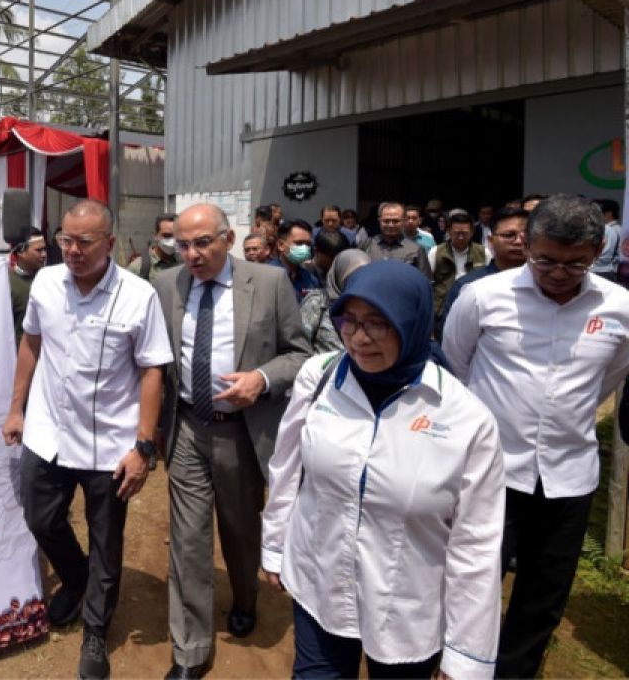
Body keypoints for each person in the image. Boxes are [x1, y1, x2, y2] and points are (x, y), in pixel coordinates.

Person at [263, 261, 506, 679]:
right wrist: (275, 544)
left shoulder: (466, 419)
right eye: (349, 321)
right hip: (318, 580)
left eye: (379, 323)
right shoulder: (318, 379)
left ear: (411, 324)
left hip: (407, 608)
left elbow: (477, 545)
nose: (359, 338)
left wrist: (466, 654)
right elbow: (287, 467)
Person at [443, 195, 629, 679]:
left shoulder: (620, 308)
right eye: (545, 259)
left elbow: (608, 378)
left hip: (570, 476)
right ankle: (461, 665)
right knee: (474, 579)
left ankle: (514, 671)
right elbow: (457, 369)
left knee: (545, 594)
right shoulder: (483, 297)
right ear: (526, 244)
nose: (559, 272)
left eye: (576, 263)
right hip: (492, 472)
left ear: (596, 251)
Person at [2, 199, 172, 680]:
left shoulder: (138, 296)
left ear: (110, 244)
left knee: (105, 539)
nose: (72, 251)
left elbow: (152, 369)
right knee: (41, 518)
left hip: (109, 443)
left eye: (84, 242)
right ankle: (77, 580)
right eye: (65, 241)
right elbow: (31, 342)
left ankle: (96, 629)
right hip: (48, 432)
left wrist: (143, 446)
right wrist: (17, 408)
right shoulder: (46, 283)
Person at [153, 203, 310, 679]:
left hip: (242, 431)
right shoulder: (164, 285)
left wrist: (262, 379)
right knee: (187, 539)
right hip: (185, 427)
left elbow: (300, 354)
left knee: (241, 530)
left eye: (203, 243)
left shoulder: (268, 283)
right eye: (182, 245)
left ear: (227, 237)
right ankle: (190, 650)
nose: (192, 254)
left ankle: (245, 595)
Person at [437, 206, 528, 337]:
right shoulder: (467, 286)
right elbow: (451, 341)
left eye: (525, 235)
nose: (519, 241)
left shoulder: (550, 285)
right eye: (509, 235)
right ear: (491, 241)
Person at [299, 248, 371, 354]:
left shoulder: (373, 305)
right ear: (339, 275)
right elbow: (300, 346)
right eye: (352, 277)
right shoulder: (318, 302)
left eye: (364, 277)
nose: (358, 282)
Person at [429, 210, 487, 319]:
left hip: (474, 307)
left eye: (464, 233)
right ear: (449, 232)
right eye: (456, 233)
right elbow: (428, 282)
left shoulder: (484, 252)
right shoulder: (435, 252)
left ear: (472, 232)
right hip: (442, 307)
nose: (460, 237)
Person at [362, 202, 431, 280]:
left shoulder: (416, 250)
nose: (391, 225)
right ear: (379, 221)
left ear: (404, 221)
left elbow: (425, 283)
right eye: (386, 221)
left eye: (395, 221)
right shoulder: (366, 245)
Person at [8, 228, 47, 344]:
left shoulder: (49, 280)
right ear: (21, 252)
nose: (44, 254)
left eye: (45, 249)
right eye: (39, 250)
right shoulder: (7, 284)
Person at [268, 218, 321, 302]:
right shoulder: (267, 275)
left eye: (307, 244)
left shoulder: (310, 279)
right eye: (299, 243)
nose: (304, 248)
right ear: (281, 245)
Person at [127, 213, 179, 282]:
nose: (173, 240)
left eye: (177, 236)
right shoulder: (138, 267)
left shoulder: (185, 264)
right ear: (156, 235)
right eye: (167, 235)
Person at [592, 198, 621, 282]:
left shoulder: (606, 229)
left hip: (598, 271)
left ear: (608, 213)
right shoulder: (617, 229)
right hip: (609, 271)